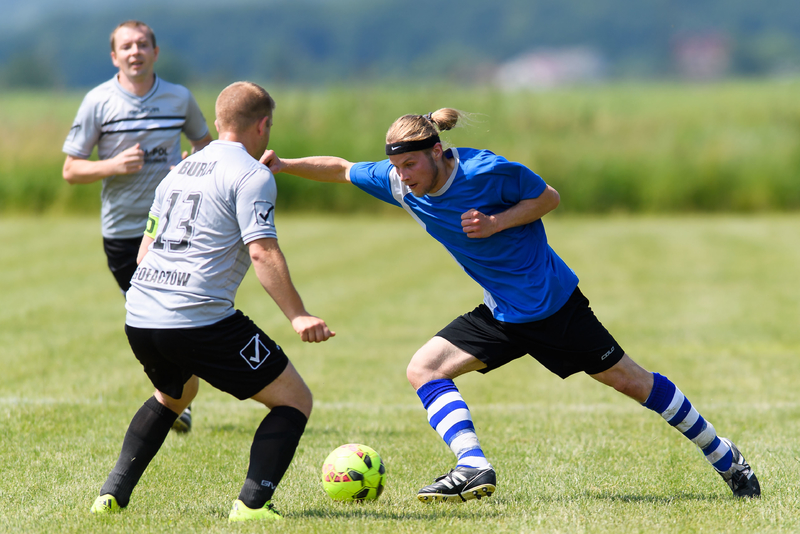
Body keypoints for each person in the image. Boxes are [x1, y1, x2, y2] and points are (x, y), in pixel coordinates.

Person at [261, 108, 761, 502]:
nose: (403, 175)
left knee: (632, 382)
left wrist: (497, 222)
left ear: (437, 151)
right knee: (424, 368)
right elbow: (342, 169)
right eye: (396, 166)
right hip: (501, 313)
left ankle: (725, 456)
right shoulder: (400, 184)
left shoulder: (487, 171)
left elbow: (548, 198)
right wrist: (284, 166)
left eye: (411, 164)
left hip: (552, 308)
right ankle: (472, 465)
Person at [89, 81, 335, 522]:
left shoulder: (177, 172)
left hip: (140, 314)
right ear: (263, 125)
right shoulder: (252, 175)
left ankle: (110, 496)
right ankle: (252, 506)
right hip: (198, 319)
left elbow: (144, 253)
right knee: (294, 399)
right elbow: (262, 252)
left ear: (219, 122)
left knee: (175, 395)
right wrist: (298, 316)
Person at [62, 20, 213, 432]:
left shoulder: (179, 98)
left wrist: (193, 166)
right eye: (127, 46)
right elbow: (71, 169)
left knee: (173, 316)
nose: (135, 52)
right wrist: (113, 165)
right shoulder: (98, 102)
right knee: (150, 319)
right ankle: (176, 393)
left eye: (143, 44)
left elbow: (206, 147)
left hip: (174, 231)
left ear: (155, 52)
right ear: (115, 57)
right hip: (123, 232)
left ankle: (175, 399)